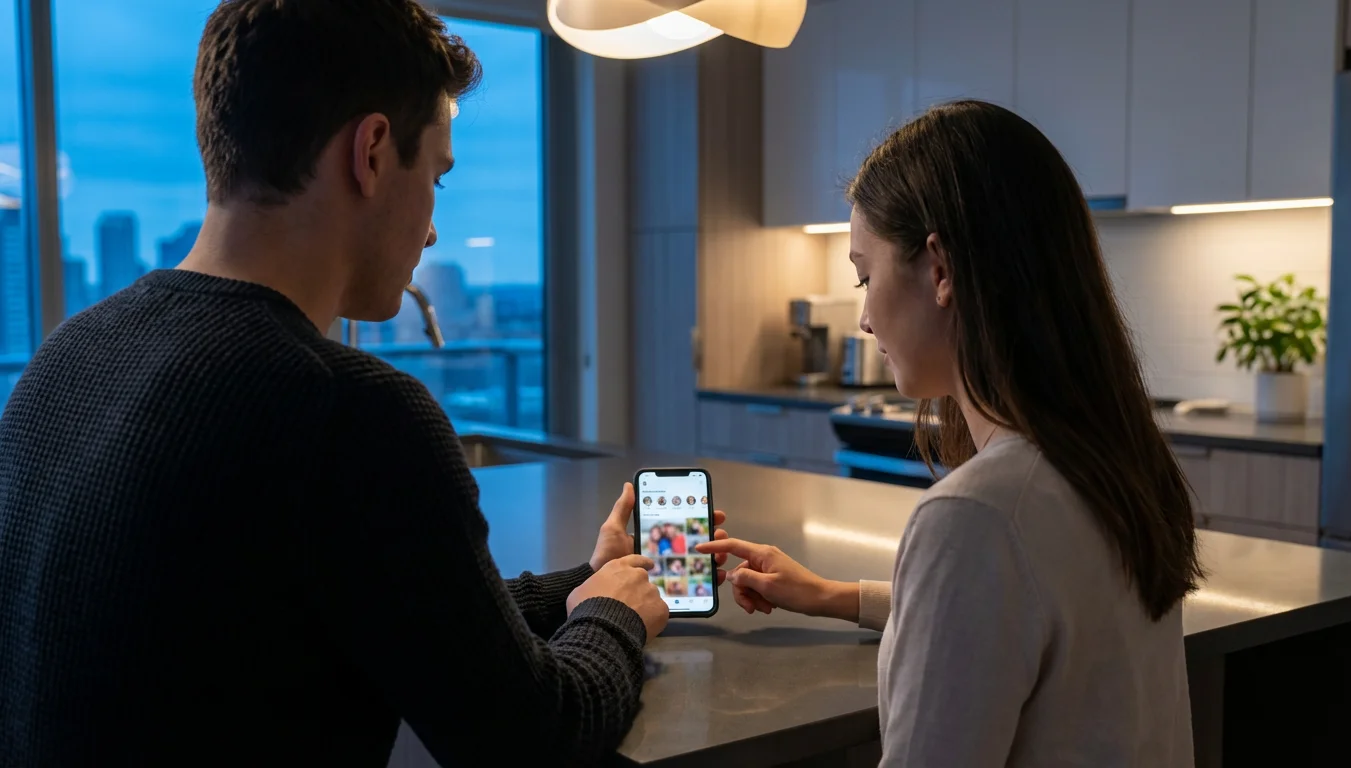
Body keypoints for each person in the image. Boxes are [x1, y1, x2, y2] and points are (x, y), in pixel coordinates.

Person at [0, 2, 734, 766]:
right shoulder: (348, 413)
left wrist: (589, 581)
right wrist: (615, 616)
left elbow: (389, 613)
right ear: (374, 153)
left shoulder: (64, 360)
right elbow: (536, 738)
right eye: (438, 180)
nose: (432, 230)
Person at [699, 100, 1202, 767]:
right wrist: (835, 597)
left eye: (865, 276)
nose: (865, 320)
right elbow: (1016, 622)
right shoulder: (1115, 464)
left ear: (940, 270)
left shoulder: (977, 516)